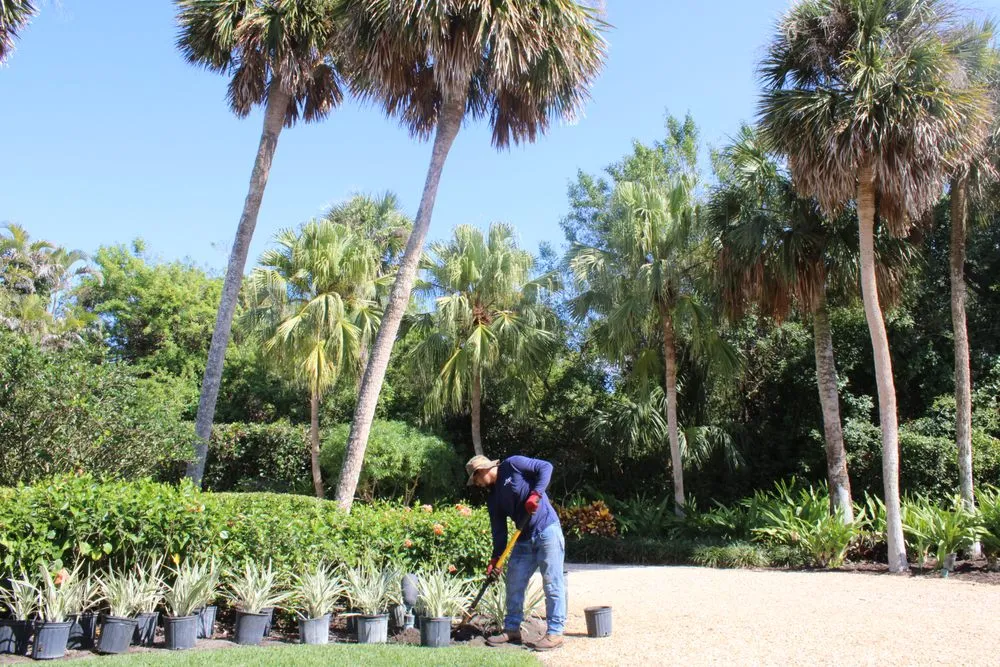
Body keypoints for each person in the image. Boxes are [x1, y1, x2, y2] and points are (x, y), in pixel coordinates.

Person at [466, 454, 566, 652]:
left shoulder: (513, 464)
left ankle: (555, 632)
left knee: (552, 582)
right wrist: (496, 559)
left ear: (481, 471)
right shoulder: (493, 498)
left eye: (475, 479)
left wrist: (536, 494)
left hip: (547, 530)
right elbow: (499, 531)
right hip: (523, 538)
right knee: (514, 580)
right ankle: (512, 629)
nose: (476, 484)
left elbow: (546, 466)